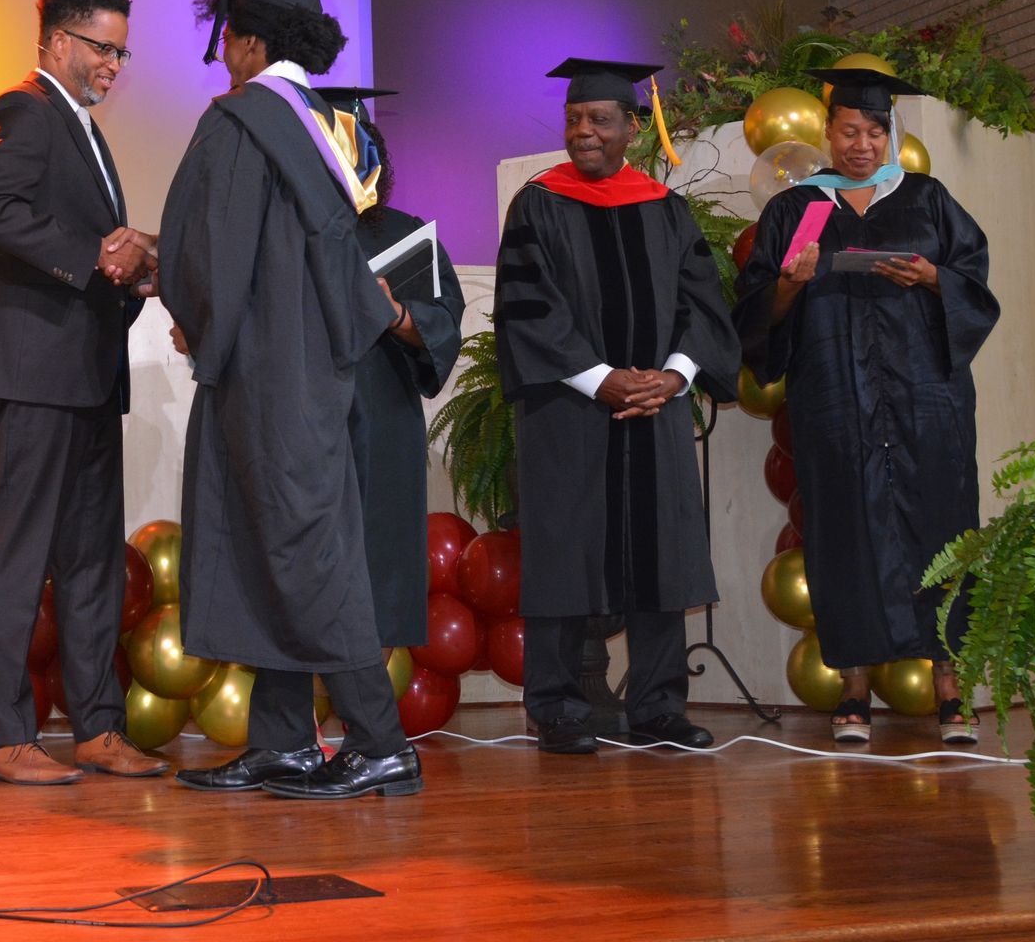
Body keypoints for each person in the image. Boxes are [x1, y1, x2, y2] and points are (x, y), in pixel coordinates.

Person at [163, 0, 420, 801]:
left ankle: (380, 743)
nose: (224, 58)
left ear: (246, 43)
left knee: (304, 555)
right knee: (274, 544)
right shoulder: (330, 127)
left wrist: (196, 320)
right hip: (315, 374)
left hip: (264, 374)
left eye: (228, 43)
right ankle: (284, 742)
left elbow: (212, 247)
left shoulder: (239, 121)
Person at [732, 67, 998, 745]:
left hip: (926, 402)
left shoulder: (927, 199)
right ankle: (853, 690)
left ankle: (951, 687)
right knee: (843, 532)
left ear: (889, 134)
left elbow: (974, 285)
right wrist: (790, 285)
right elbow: (757, 315)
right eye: (850, 130)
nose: (862, 144)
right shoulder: (799, 210)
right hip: (835, 401)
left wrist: (933, 277)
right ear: (828, 133)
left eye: (875, 131)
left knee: (943, 530)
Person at [0, 0, 166, 786]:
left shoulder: (83, 128)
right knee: (20, 555)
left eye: (122, 53)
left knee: (91, 561)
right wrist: (93, 257)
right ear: (55, 41)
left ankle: (97, 728)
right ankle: (6, 737)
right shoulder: (23, 108)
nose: (113, 64)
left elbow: (92, 248)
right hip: (34, 371)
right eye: (102, 48)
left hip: (87, 373)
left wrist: (133, 271)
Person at [493, 58, 740, 756]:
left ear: (633, 128)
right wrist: (598, 378)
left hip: (655, 409)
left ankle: (659, 707)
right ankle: (558, 707)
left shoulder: (664, 208)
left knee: (662, 554)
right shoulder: (538, 204)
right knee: (565, 554)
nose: (584, 132)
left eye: (600, 120)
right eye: (574, 119)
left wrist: (675, 376)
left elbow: (702, 303)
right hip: (568, 412)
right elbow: (527, 309)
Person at [331, 94, 466, 650]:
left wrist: (398, 315)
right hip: (306, 420)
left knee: (380, 564)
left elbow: (444, 323)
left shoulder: (406, 236)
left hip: (382, 417)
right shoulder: (279, 232)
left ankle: (371, 698)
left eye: (360, 151)